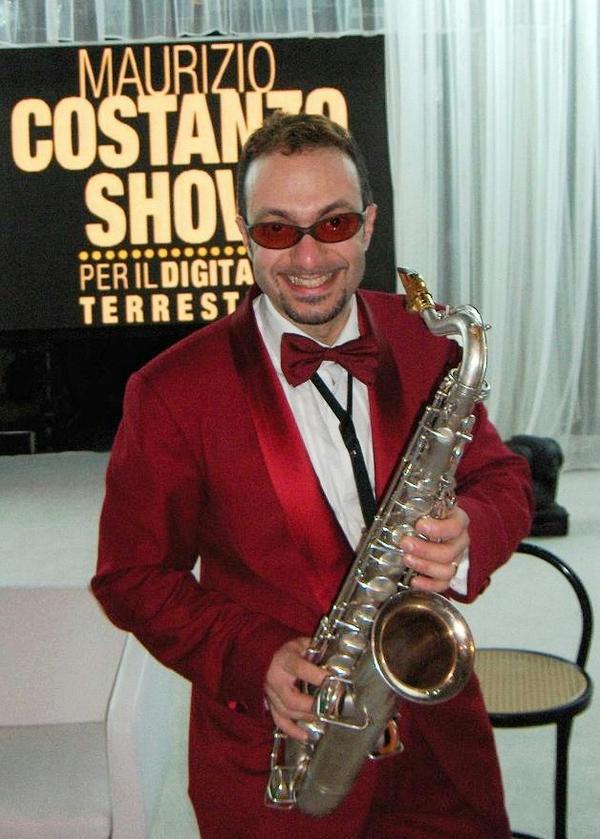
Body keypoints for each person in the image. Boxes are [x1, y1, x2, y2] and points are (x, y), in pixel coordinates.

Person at [92, 112, 533, 839]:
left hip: (439, 752)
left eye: (332, 224)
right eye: (277, 229)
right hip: (280, 762)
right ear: (244, 233)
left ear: (368, 225)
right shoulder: (171, 391)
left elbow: (503, 478)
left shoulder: (425, 342)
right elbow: (131, 576)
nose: (307, 256)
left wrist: (468, 533)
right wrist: (254, 657)